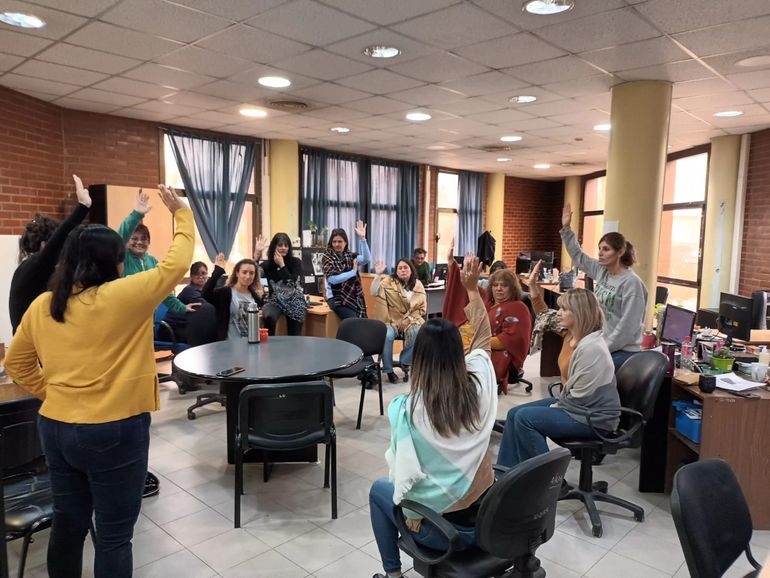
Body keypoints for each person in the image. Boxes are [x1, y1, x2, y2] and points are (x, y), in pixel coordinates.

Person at [5, 185, 193, 578]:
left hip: (56, 428)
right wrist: (181, 213)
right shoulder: (123, 296)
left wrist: (51, 392)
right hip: (114, 430)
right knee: (112, 536)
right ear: (113, 263)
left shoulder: (44, 304)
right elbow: (175, 266)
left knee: (68, 523)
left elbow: (17, 363)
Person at [369, 255, 496, 578]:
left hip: (443, 534)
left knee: (379, 490)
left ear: (419, 357)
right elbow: (483, 341)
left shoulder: (407, 410)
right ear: (459, 352)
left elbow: (404, 479)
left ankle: (393, 574)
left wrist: (412, 513)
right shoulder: (481, 384)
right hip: (488, 523)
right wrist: (472, 291)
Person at [496, 288, 620, 470]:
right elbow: (545, 315)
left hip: (592, 416)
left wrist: (557, 405)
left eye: (564, 309)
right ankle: (506, 473)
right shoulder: (575, 336)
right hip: (578, 405)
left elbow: (580, 397)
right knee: (513, 414)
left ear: (579, 313)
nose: (559, 313)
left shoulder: (592, 348)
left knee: (524, 419)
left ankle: (550, 481)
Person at [560, 203, 648, 371]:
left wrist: (602, 348)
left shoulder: (631, 283)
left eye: (606, 249)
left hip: (624, 350)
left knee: (583, 368)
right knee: (571, 362)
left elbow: (627, 326)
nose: (600, 253)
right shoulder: (602, 271)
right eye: (599, 249)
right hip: (604, 342)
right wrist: (566, 228)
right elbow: (578, 257)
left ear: (620, 252)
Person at [443, 241, 531, 394]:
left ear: (512, 288)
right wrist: (452, 263)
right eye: (495, 285)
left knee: (458, 357)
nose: (499, 288)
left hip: (492, 351)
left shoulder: (518, 307)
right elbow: (466, 288)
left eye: (504, 285)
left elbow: (509, 341)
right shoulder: (486, 299)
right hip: (475, 344)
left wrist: (473, 343)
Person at [9, 175, 91, 334]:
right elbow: (58, 240)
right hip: (31, 348)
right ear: (44, 245)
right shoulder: (33, 266)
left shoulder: (36, 270)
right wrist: (83, 207)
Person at [371, 258, 426, 383]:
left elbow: (421, 308)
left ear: (411, 270)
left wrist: (409, 319)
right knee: (387, 335)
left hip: (411, 321)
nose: (402, 270)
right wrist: (378, 275)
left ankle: (405, 361)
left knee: (418, 331)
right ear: (396, 271)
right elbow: (374, 292)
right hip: (390, 320)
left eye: (405, 267)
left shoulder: (418, 285)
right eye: (399, 268)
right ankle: (389, 370)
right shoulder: (389, 282)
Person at [203, 253, 265, 341]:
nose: (248, 276)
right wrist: (218, 270)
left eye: (251, 273)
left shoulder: (256, 298)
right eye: (244, 272)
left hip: (251, 345)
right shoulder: (225, 293)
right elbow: (205, 294)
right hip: (228, 346)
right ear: (237, 273)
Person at [255, 232, 306, 336]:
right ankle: (269, 347)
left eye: (286, 245)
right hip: (275, 301)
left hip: (294, 301)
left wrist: (282, 265)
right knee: (269, 316)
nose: (283, 248)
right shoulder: (267, 264)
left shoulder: (296, 262)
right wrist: (256, 255)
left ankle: (293, 349)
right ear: (274, 247)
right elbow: (253, 274)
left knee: (296, 319)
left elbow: (293, 284)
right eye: (280, 245)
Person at [322, 221, 370, 320]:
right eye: (334, 241)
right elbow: (332, 279)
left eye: (340, 241)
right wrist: (352, 272)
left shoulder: (350, 256)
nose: (336, 244)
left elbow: (366, 259)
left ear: (345, 242)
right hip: (336, 298)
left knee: (362, 321)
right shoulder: (327, 257)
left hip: (352, 297)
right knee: (354, 322)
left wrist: (362, 239)